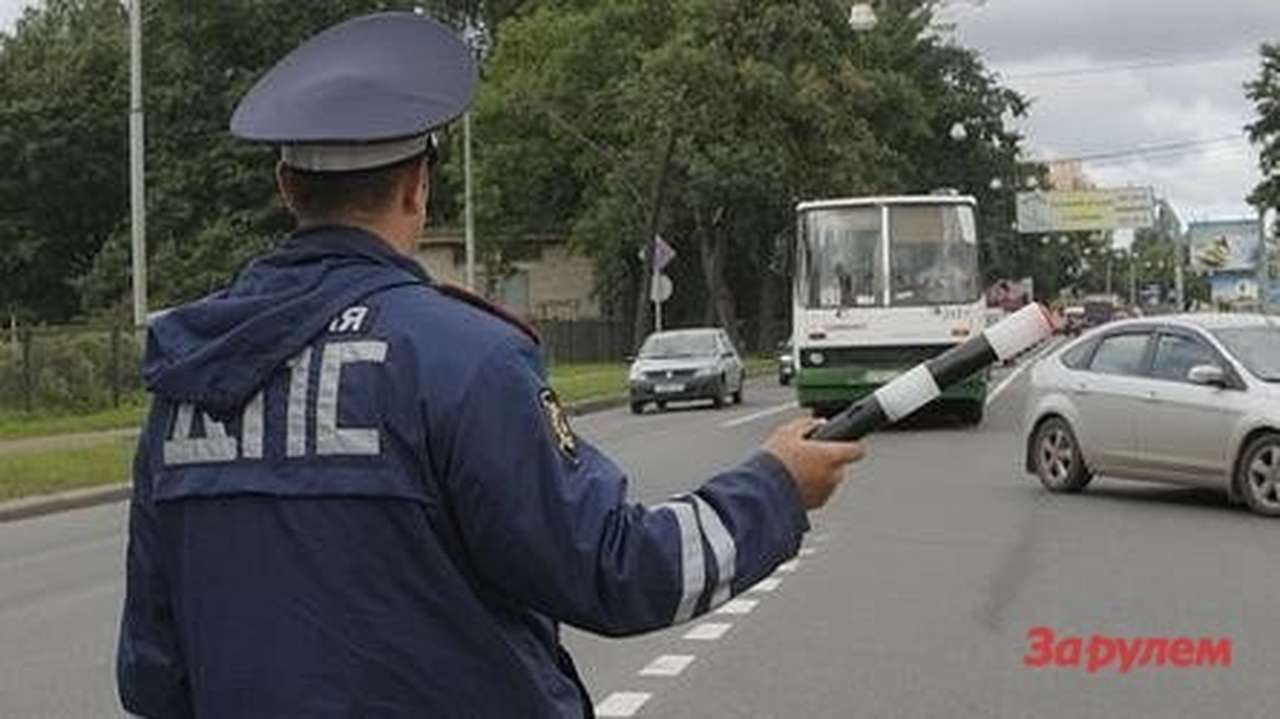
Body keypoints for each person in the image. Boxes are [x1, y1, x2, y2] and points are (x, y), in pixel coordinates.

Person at [115, 12, 865, 719]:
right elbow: (615, 570)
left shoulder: (189, 381)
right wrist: (775, 488)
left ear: (286, 188)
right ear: (419, 185)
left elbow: (154, 672)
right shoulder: (462, 358)